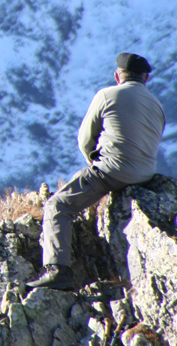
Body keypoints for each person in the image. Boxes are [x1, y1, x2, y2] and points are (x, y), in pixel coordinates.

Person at [27, 52, 166, 291]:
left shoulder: (106, 94)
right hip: (146, 174)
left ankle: (57, 270)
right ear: (146, 78)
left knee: (57, 206)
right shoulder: (157, 105)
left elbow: (84, 140)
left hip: (112, 171)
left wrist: (94, 160)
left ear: (117, 76)